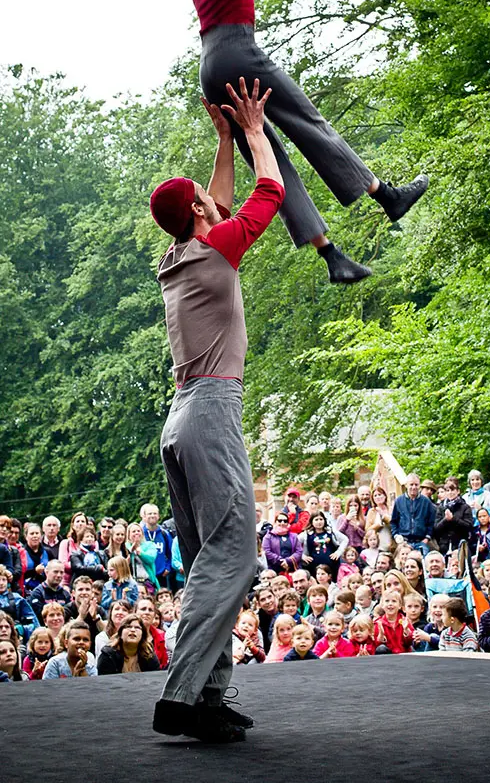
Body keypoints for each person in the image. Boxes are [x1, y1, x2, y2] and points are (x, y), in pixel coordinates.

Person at [110, 0, 428, 286]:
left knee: (266, 154)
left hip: (209, 66)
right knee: (307, 123)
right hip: (239, 52)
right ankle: (387, 196)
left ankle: (332, 255)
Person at [149, 75, 286, 741]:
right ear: (200, 214)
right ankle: (181, 695)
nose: (211, 198)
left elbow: (220, 200)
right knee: (233, 557)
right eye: (205, 199)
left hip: (180, 418)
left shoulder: (179, 255)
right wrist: (257, 131)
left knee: (212, 559)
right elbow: (269, 194)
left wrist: (222, 141)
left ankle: (206, 699)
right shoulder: (214, 246)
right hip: (209, 410)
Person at [98, 614, 162, 675]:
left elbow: (156, 680)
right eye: (128, 626)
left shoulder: (149, 655)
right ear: (120, 633)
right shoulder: (108, 655)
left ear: (143, 634)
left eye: (137, 627)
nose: (133, 630)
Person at [390, 474, 436, 555]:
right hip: (404, 542)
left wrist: (427, 538)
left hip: (421, 541)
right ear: (406, 485)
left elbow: (431, 522)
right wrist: (396, 535)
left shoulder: (426, 502)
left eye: (416, 484)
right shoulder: (399, 501)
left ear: (419, 486)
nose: (414, 487)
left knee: (423, 563)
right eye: (411, 484)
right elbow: (393, 521)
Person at [433, 477, 473, 555]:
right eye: (448, 490)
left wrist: (453, 519)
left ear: (458, 491)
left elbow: (468, 526)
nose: (450, 492)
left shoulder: (465, 507)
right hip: (444, 545)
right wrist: (445, 520)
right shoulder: (441, 507)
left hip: (460, 544)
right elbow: (436, 528)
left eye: (452, 490)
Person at [63, 575, 106, 646]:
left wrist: (96, 618)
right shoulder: (67, 609)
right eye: (80, 589)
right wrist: (81, 616)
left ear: (92, 593)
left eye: (87, 589)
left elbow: (108, 632)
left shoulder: (98, 609)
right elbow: (64, 634)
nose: (84, 592)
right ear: (73, 593)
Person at [0, 564, 38, 644]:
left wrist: (22, 629)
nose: (1, 583)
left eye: (3, 580)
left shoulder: (17, 598)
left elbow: (33, 620)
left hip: (15, 637)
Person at [139, 505, 173, 589]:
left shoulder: (164, 534)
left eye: (155, 513)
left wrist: (168, 568)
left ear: (158, 516)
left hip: (161, 575)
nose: (152, 515)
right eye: (149, 513)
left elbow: (171, 553)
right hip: (145, 575)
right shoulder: (140, 533)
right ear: (144, 516)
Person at [373, 590, 414, 654]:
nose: (390, 604)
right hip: (388, 656)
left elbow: (410, 642)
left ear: (400, 606)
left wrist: (406, 630)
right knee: (381, 648)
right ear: (382, 605)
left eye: (394, 601)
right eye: (387, 601)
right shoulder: (378, 623)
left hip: (403, 654)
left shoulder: (405, 621)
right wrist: (380, 636)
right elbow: (376, 646)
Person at [125, 522, 159, 593]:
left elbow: (151, 559)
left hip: (148, 581)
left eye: (138, 531)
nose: (136, 533)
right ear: (128, 535)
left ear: (142, 533)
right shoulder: (126, 547)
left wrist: (139, 552)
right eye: (133, 531)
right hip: (132, 583)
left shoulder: (150, 545)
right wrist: (131, 550)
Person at [57, 512, 88, 587]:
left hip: (87, 583)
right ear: (73, 525)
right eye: (77, 521)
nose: (80, 523)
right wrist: (78, 566)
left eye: (83, 521)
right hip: (67, 583)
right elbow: (62, 564)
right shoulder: (65, 543)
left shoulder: (93, 543)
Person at [365, 486, 394, 552]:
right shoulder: (371, 511)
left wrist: (384, 517)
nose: (377, 497)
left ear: (385, 496)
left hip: (392, 545)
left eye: (379, 494)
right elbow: (367, 530)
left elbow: (395, 525)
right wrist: (377, 525)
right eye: (375, 496)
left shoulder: (391, 509)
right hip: (378, 546)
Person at [23, 524, 50, 596]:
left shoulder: (47, 551)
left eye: (37, 533)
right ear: (26, 537)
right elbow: (20, 574)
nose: (35, 536)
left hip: (46, 590)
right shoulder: (21, 552)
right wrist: (35, 571)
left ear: (41, 536)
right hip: (27, 590)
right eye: (32, 534)